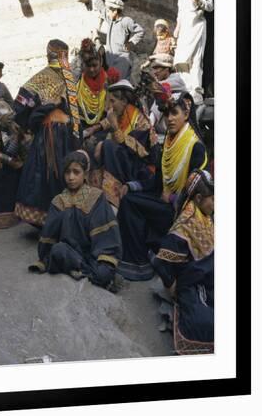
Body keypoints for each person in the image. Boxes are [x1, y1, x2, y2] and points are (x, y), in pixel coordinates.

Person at [116, 91, 208, 281]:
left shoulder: (195, 147)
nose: (170, 119)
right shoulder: (167, 142)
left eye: (175, 113)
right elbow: (157, 182)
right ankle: (139, 258)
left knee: (131, 204)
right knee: (128, 197)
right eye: (166, 114)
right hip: (164, 199)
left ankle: (139, 260)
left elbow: (199, 194)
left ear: (186, 114)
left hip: (181, 210)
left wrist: (174, 198)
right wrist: (132, 186)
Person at [28, 151, 124, 293]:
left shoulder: (96, 197)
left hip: (93, 254)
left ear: (85, 174)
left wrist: (101, 260)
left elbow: (106, 238)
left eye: (76, 172)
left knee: (103, 271)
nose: (71, 177)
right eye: (67, 172)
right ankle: (87, 273)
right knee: (58, 251)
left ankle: (85, 272)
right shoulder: (58, 201)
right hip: (69, 253)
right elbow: (48, 239)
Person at [14, 39, 81, 227]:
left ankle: (44, 219)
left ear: (47, 55)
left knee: (42, 176)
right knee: (64, 174)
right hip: (66, 133)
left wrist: (29, 125)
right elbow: (76, 114)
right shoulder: (70, 79)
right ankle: (62, 219)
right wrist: (78, 137)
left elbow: (19, 106)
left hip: (47, 133)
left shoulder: (40, 79)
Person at [149, 169, 214, 355]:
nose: (215, 203)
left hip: (207, 275)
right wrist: (171, 285)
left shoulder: (204, 215)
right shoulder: (185, 225)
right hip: (193, 283)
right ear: (199, 197)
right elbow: (160, 262)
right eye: (213, 199)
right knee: (207, 322)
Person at [90, 68, 159, 212]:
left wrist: (114, 129)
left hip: (142, 169)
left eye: (113, 101)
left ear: (124, 101)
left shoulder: (140, 121)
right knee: (95, 145)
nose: (109, 106)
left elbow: (137, 151)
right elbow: (106, 123)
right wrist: (92, 130)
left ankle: (112, 201)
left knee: (107, 146)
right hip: (125, 162)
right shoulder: (121, 113)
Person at [173, 0, 214, 105]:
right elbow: (180, 9)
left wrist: (198, 0)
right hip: (185, 26)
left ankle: (195, 93)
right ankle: (183, 87)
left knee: (195, 59)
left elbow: (210, 6)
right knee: (182, 58)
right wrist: (177, 27)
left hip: (197, 25)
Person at [93, 0, 144, 79]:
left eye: (109, 11)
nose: (107, 13)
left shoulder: (126, 21)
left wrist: (131, 43)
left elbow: (140, 31)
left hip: (121, 59)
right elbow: (101, 8)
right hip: (110, 59)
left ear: (115, 11)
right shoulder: (111, 20)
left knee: (118, 83)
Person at [143, 53, 187, 140]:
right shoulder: (161, 81)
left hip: (174, 123)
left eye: (157, 68)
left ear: (166, 69)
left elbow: (157, 87)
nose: (154, 72)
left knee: (162, 96)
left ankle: (149, 126)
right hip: (163, 124)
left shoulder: (176, 80)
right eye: (153, 68)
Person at [76, 38, 107, 134]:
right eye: (88, 66)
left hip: (103, 129)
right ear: (82, 65)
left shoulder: (109, 84)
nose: (92, 69)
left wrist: (96, 128)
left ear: (101, 62)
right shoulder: (76, 85)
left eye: (95, 65)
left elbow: (115, 114)